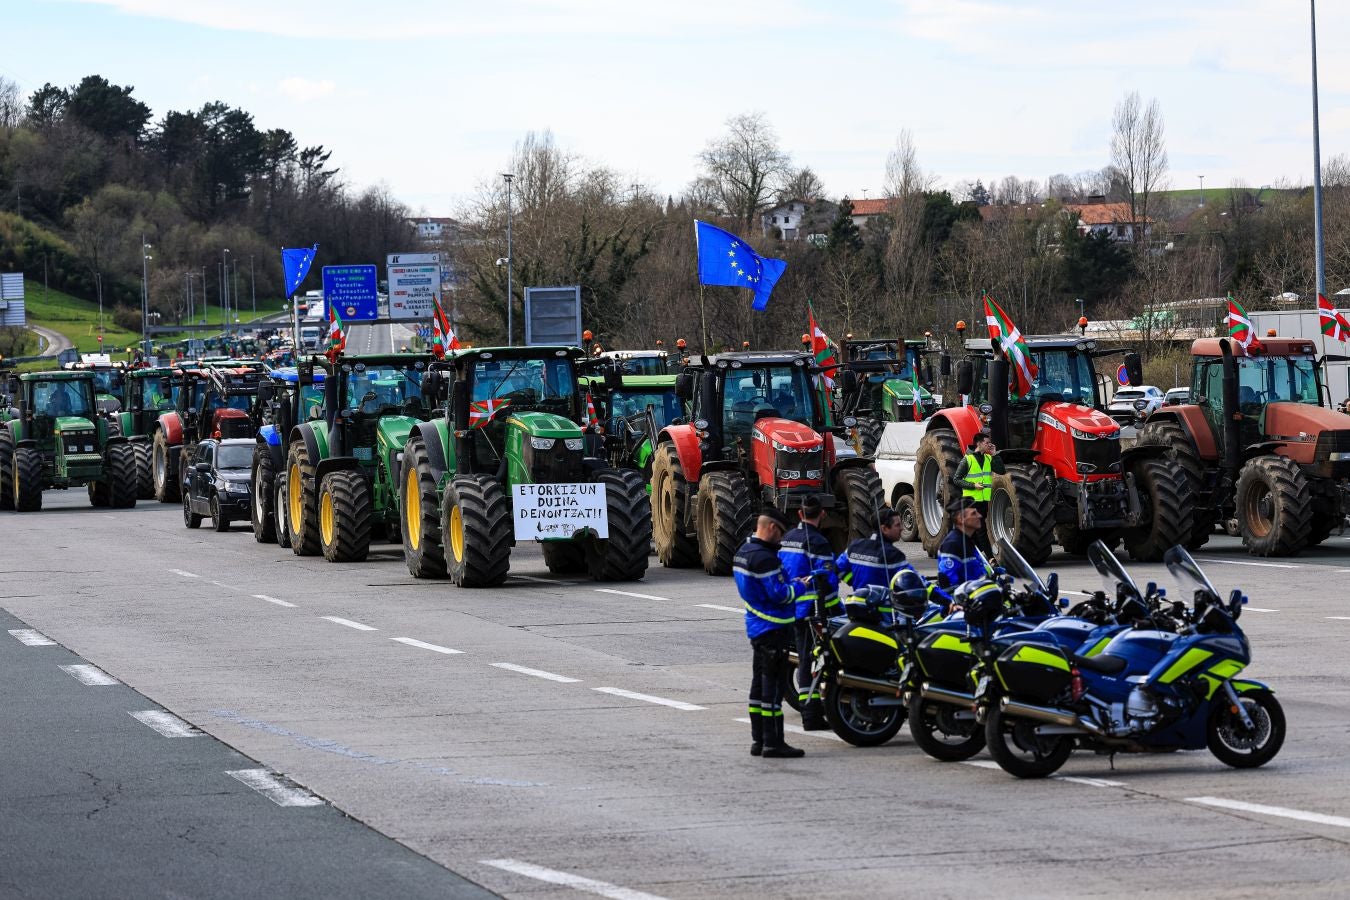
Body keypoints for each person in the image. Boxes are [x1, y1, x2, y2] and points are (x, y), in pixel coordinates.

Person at [734, 507, 808, 759]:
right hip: (773, 628)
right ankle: (774, 742)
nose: (781, 539)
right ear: (772, 528)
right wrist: (799, 586)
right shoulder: (765, 558)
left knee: (757, 687)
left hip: (756, 627)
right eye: (781, 533)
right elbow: (780, 594)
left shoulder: (743, 552)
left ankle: (758, 740)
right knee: (773, 690)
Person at [778, 495, 839, 730]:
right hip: (814, 610)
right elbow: (828, 580)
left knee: (804, 659)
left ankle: (809, 710)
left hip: (791, 607)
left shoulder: (787, 538)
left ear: (800, 514)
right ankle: (812, 715)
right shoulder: (819, 542)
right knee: (816, 660)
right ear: (822, 514)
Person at [835, 506, 914, 593]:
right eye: (897, 525)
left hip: (856, 604)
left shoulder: (854, 546)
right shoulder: (894, 555)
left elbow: (838, 568)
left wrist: (854, 581)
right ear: (884, 528)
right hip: (883, 605)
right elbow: (912, 580)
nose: (901, 528)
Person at [951, 428, 1003, 554]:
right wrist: (973, 485)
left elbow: (1002, 471)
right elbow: (956, 479)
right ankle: (990, 558)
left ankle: (974, 554)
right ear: (978, 443)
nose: (989, 445)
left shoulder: (988, 458)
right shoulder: (967, 460)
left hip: (984, 501)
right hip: (971, 501)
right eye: (986, 442)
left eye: (989, 443)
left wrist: (994, 454)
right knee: (981, 530)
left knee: (974, 532)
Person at [937, 497, 988, 591]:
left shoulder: (967, 540)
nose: (980, 516)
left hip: (978, 595)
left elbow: (974, 571)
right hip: (963, 602)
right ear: (961, 519)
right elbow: (948, 582)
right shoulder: (952, 544)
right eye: (974, 513)